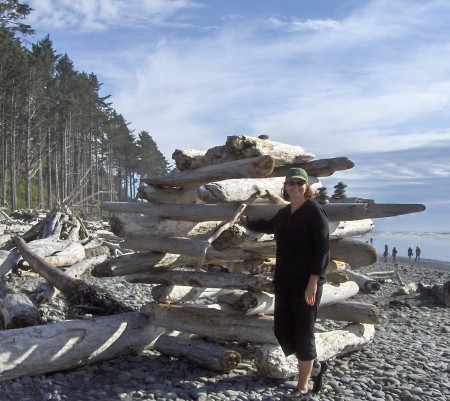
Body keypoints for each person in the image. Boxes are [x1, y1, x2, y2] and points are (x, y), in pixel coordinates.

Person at [239, 168, 330, 399]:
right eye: (291, 183)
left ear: (306, 187)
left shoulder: (314, 211)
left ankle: (303, 387)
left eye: (300, 183)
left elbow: (322, 250)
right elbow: (269, 226)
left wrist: (314, 282)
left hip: (306, 282)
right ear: (286, 187)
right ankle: (315, 367)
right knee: (283, 329)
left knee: (303, 330)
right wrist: (246, 220)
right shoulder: (285, 212)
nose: (296, 187)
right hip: (284, 279)